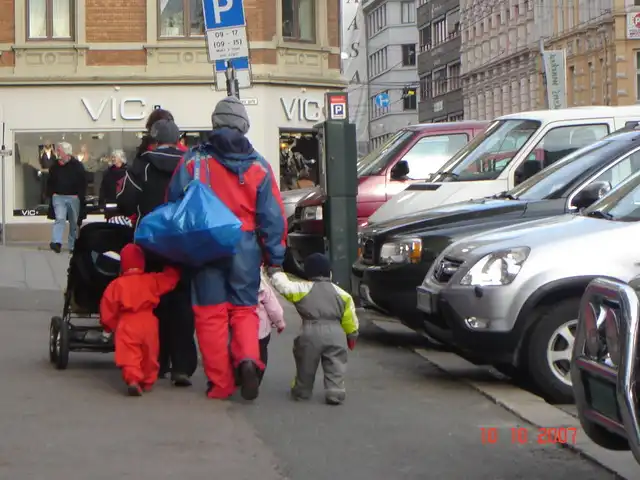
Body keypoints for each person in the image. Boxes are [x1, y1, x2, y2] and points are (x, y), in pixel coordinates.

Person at [167, 96, 287, 401]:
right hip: (244, 246)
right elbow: (273, 216)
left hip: (205, 244)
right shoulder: (259, 165)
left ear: (215, 123)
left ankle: (220, 384)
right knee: (244, 309)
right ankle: (248, 359)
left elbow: (173, 202)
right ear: (244, 125)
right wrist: (274, 257)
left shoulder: (194, 160)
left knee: (210, 315)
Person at [117, 117, 198, 386]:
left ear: (154, 139)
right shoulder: (191, 164)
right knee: (182, 301)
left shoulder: (142, 164)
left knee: (153, 300)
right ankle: (182, 366)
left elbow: (125, 200)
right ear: (178, 139)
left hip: (149, 241)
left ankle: (158, 361)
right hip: (183, 241)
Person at [268, 253, 359, 405]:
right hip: (336, 332)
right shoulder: (343, 294)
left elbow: (285, 287)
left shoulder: (303, 289)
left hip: (310, 331)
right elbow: (350, 318)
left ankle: (302, 390)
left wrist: (275, 273)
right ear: (329, 272)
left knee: (305, 363)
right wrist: (352, 334)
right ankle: (335, 391)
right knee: (336, 363)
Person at [100, 244, 180, 396]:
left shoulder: (116, 285)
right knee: (150, 354)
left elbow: (108, 308)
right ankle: (148, 381)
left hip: (127, 321)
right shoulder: (151, 280)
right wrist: (172, 264)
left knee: (129, 354)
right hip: (149, 321)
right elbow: (169, 279)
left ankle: (133, 380)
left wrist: (109, 326)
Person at [46, 142, 87, 254]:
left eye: (59, 150)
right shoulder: (54, 167)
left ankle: (72, 245)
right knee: (60, 218)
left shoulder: (77, 166)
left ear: (66, 152)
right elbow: (50, 181)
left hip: (73, 197)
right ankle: (56, 242)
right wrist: (52, 194)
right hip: (58, 197)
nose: (57, 152)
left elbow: (83, 182)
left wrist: (80, 195)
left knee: (74, 222)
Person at [257, 269, 286, 384]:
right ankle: (257, 377)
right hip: (261, 331)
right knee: (262, 352)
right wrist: (280, 323)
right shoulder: (261, 284)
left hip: (238, 329)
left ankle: (238, 376)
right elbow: (274, 308)